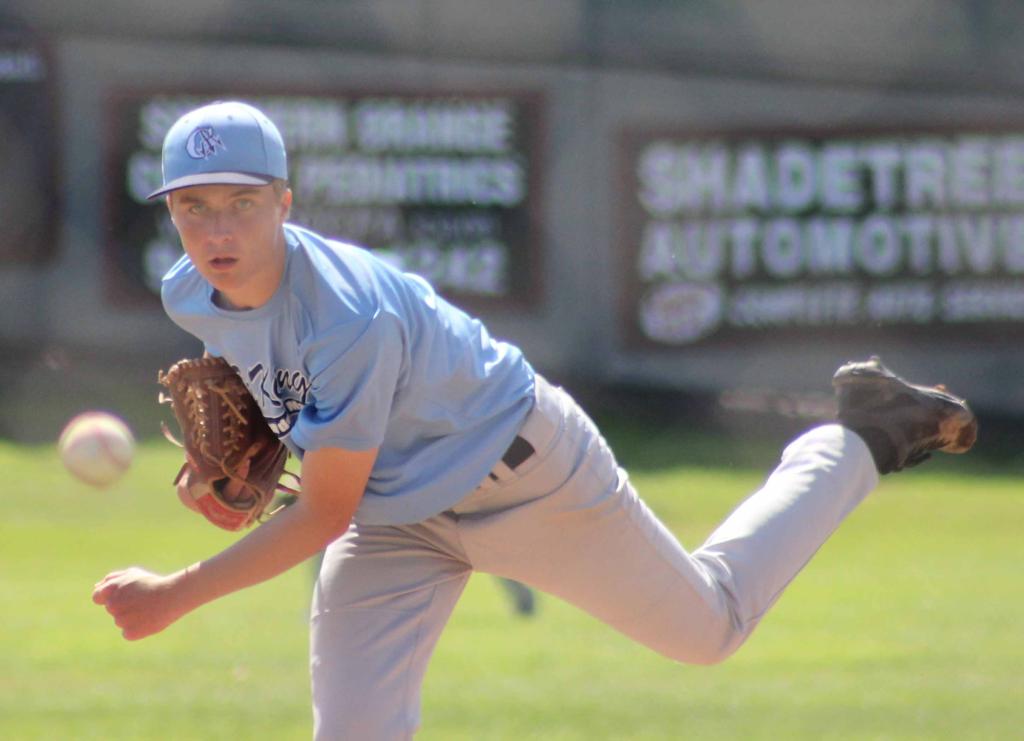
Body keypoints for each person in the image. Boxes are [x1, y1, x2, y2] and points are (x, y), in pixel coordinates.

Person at [93, 101, 976, 740]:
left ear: (285, 202)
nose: (217, 225)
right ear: (169, 210)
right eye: (192, 204)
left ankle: (859, 436)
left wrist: (177, 593)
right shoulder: (191, 292)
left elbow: (322, 510)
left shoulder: (350, 316)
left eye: (242, 201)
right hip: (395, 519)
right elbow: (306, 418)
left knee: (708, 627)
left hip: (524, 478)